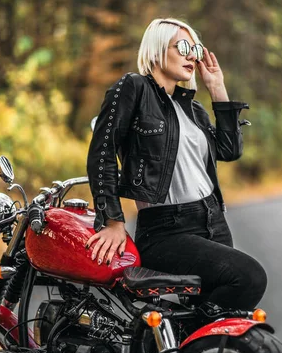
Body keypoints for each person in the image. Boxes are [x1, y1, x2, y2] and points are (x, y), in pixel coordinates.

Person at [85, 18, 267, 310]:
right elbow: (102, 152)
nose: (192, 55)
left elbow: (229, 151)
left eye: (195, 48)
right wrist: (113, 220)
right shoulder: (134, 88)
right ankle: (173, 345)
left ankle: (181, 350)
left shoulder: (193, 109)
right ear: (157, 49)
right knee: (249, 277)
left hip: (213, 221)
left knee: (227, 316)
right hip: (166, 229)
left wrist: (217, 88)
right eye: (183, 46)